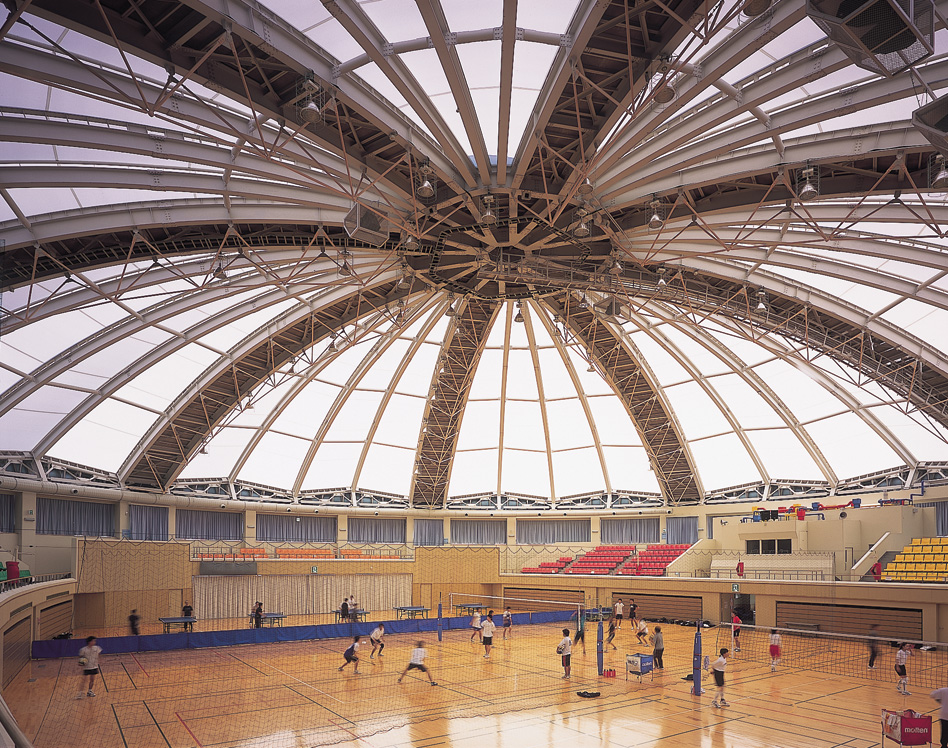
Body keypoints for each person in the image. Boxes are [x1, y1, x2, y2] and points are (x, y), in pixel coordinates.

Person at [931, 684, 948, 748]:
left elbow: (932, 694)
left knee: (944, 731)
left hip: (943, 715)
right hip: (944, 715)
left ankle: (944, 745)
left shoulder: (943, 690)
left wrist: (940, 701)